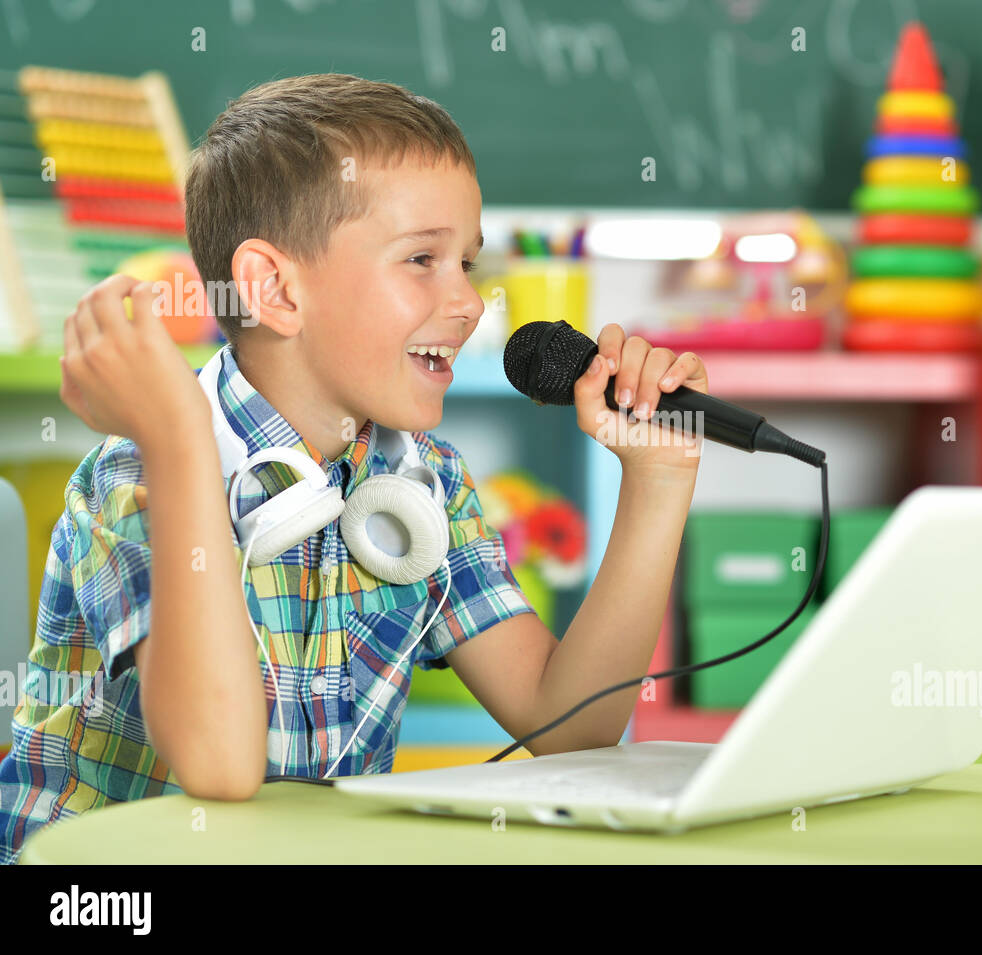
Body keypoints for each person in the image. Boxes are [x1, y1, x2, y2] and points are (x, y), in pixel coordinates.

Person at [0, 73, 708, 863]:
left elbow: (570, 721)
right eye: (422, 259)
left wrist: (659, 479)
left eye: (466, 263)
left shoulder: (425, 479)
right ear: (273, 288)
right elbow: (221, 765)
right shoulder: (134, 476)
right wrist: (179, 441)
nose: (469, 302)